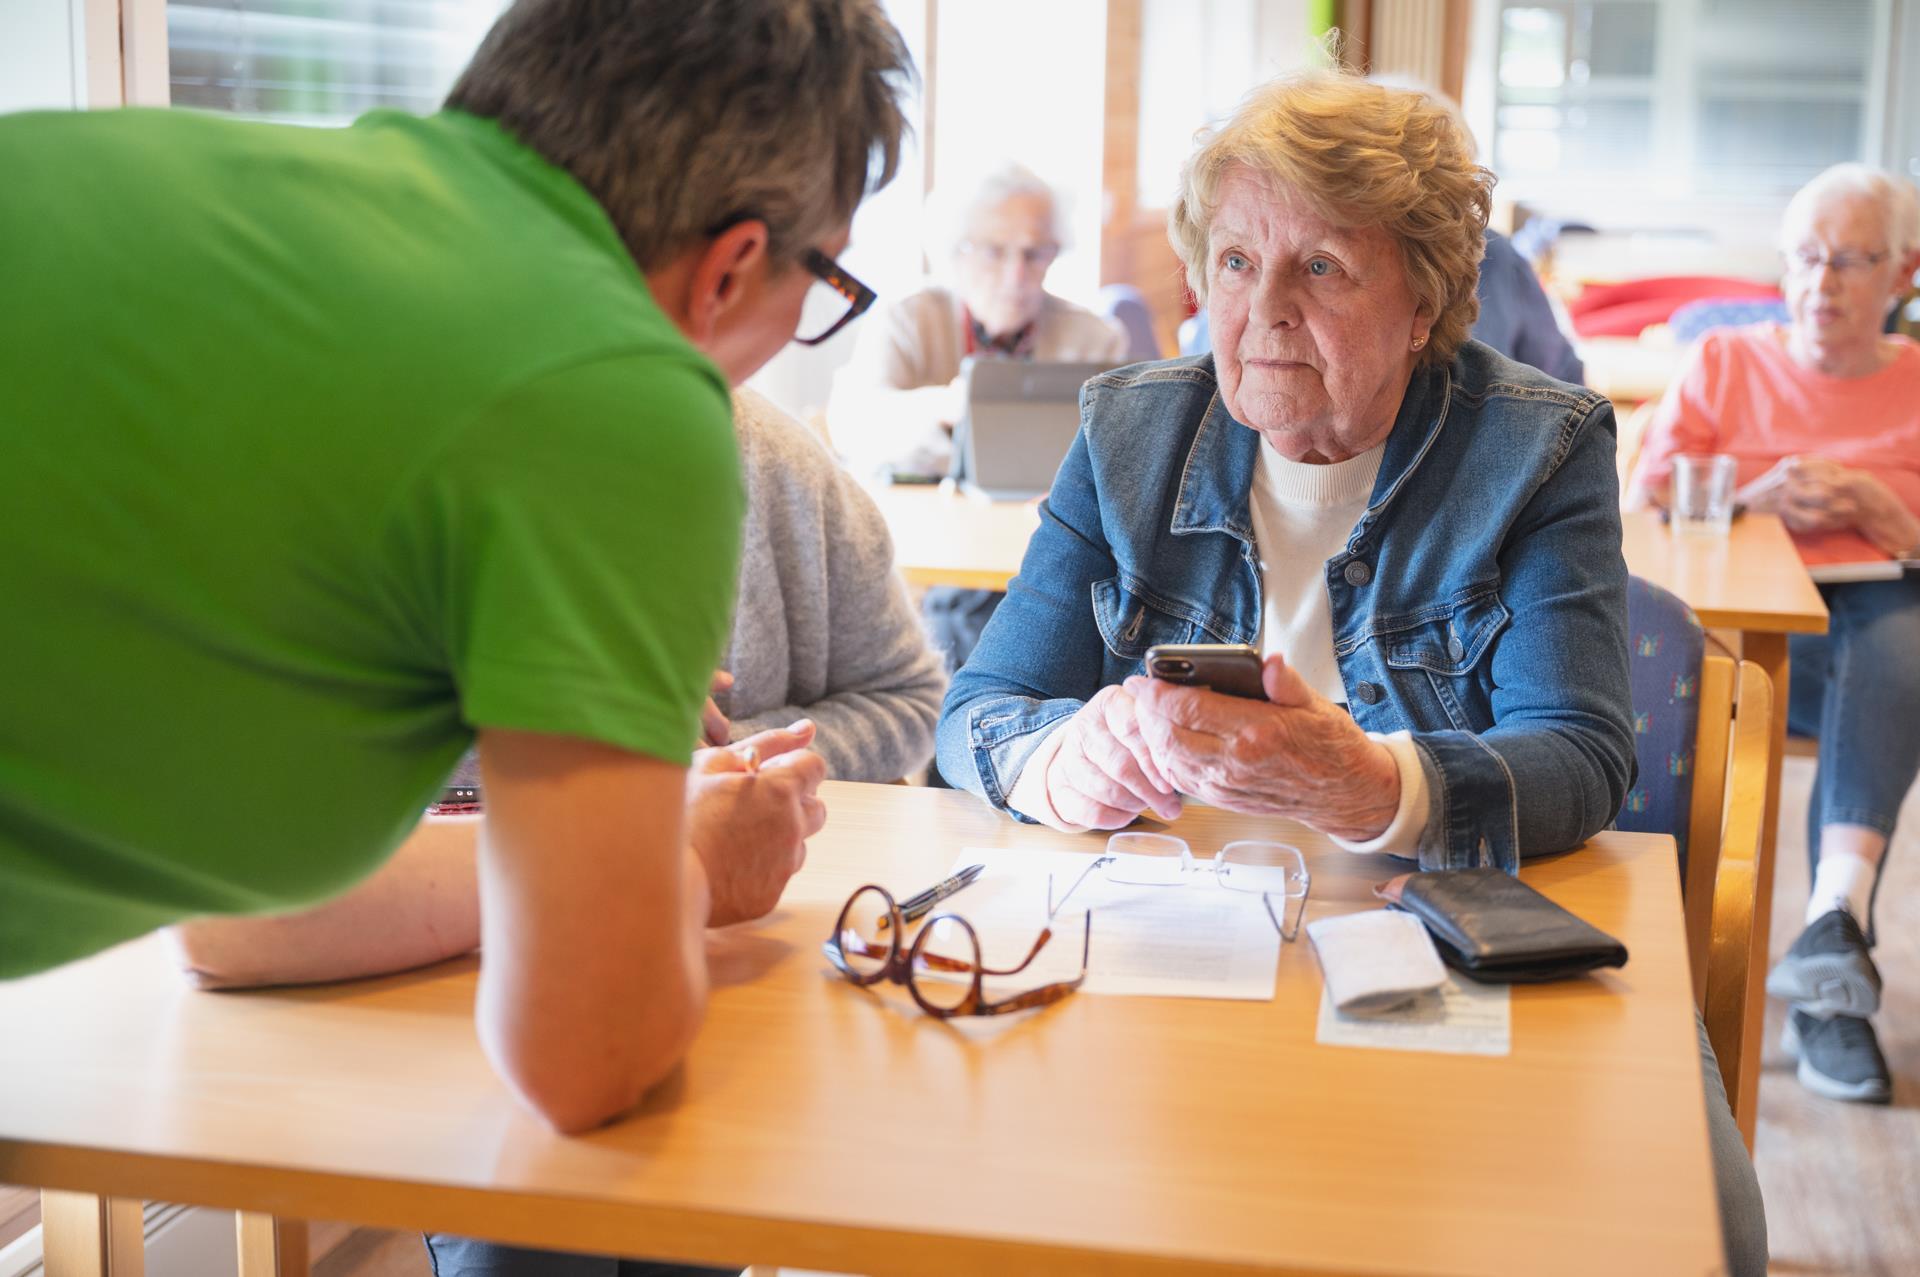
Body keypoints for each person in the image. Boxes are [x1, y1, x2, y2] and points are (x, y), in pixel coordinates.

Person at [0, 0, 912, 1155]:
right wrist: (688, 855)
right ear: (733, 263)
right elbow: (581, 1055)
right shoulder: (617, 390)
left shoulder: (190, 186)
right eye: (825, 278)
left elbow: (236, 916)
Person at [934, 71, 1766, 1276]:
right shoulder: (1128, 429)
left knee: (1693, 1226)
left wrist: (1374, 785)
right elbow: (979, 711)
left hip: (1422, 940)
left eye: (1320, 266)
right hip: (1169, 946)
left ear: (1424, 303)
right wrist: (1064, 762)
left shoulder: (1537, 445)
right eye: (1232, 262)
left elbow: (1581, 756)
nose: (1263, 308)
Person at [171, 385, 943, 1277]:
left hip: (695, 959)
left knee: (692, 1182)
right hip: (426, 981)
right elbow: (226, 910)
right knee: (540, 1213)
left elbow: (904, 693)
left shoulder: (764, 454)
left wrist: (735, 775)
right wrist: (637, 808)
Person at [1628, 163, 1920, 1107]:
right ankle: (1831, 965)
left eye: (1849, 261)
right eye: (1804, 259)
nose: (1821, 284)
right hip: (1739, 645)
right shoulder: (1726, 363)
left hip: (1872, 655)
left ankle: (1832, 929)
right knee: (1895, 650)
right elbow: (1642, 502)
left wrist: (1890, 514)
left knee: (1894, 628)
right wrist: (1750, 498)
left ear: (1903, 274)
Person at [826, 163, 1131, 676]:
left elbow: (1122, 457)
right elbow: (852, 425)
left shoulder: (1096, 338)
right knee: (967, 616)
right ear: (955, 251)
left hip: (1048, 543)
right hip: (940, 548)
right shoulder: (909, 319)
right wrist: (948, 407)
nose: (1017, 274)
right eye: (994, 251)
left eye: (1035, 253)